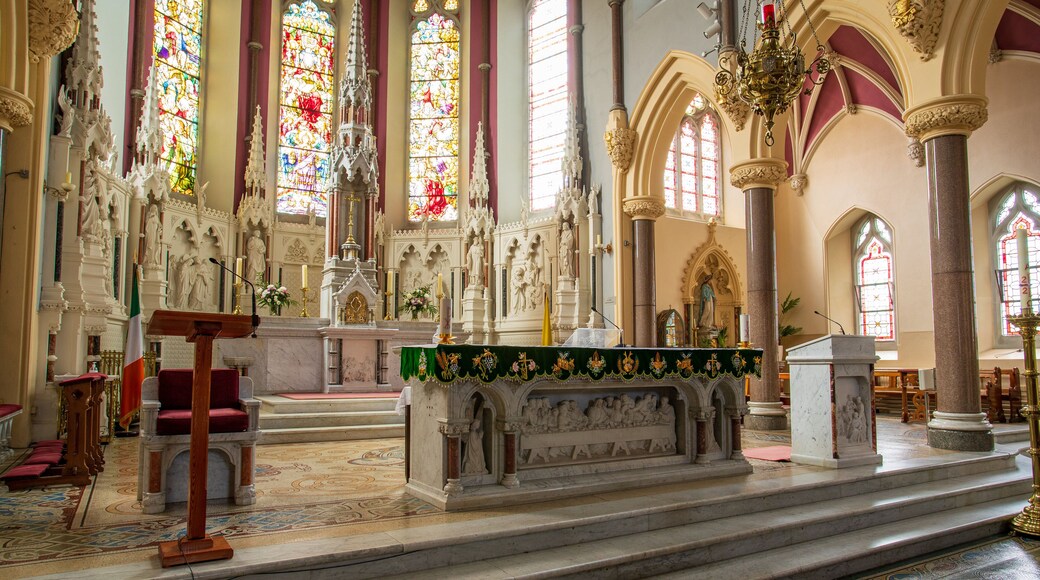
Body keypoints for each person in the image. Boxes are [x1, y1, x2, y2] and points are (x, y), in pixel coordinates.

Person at [463, 400, 488, 475]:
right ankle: (474, 469)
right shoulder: (472, 434)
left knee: (478, 459)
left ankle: (478, 469)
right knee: (475, 459)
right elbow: (474, 445)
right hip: (473, 453)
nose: (478, 426)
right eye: (477, 425)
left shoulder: (474, 433)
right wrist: (480, 437)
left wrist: (479, 436)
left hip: (477, 453)